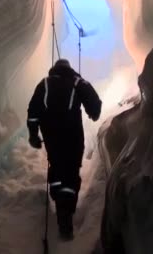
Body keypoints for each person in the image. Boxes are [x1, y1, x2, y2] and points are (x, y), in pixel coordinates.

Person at [27, 58, 102, 240]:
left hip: (53, 140)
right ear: (69, 69)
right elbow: (95, 105)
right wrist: (92, 112)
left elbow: (33, 112)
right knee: (71, 173)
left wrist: (33, 135)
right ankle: (66, 211)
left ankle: (61, 206)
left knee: (57, 169)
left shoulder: (44, 84)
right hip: (73, 139)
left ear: (55, 69)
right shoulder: (77, 81)